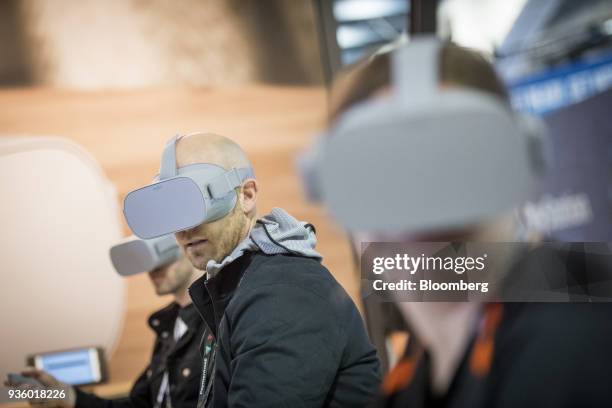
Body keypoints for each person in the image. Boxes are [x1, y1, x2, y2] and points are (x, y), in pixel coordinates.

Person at [305, 36, 612, 407]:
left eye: (454, 159)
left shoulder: (580, 322)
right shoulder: (419, 374)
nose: (417, 203)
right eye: (379, 171)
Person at [123, 132, 381, 407]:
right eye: (173, 215)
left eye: (195, 206)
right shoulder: (236, 289)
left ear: (247, 195)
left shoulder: (284, 295)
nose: (184, 231)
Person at [9, 235, 206, 408]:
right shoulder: (168, 327)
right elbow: (140, 404)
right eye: (146, 263)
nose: (151, 270)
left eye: (159, 262)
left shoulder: (215, 324)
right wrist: (64, 395)